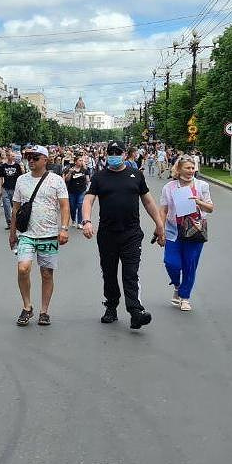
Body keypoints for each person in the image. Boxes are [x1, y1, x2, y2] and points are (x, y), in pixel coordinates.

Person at [82, 140, 166, 330]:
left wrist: (159, 224)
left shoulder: (135, 175)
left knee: (130, 273)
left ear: (124, 154)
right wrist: (86, 221)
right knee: (109, 273)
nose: (114, 155)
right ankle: (111, 307)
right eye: (111, 152)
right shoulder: (99, 177)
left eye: (117, 152)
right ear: (106, 154)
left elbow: (148, 202)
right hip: (107, 234)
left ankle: (135, 311)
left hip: (131, 234)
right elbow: (88, 200)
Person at [8, 146, 70, 327]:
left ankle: (44, 311)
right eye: (28, 157)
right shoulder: (21, 180)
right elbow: (15, 209)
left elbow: (65, 206)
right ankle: (27, 306)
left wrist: (64, 228)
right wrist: (12, 233)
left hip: (49, 234)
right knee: (23, 268)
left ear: (45, 160)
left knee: (47, 273)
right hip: (26, 234)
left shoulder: (56, 180)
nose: (31, 160)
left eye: (35, 157)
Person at [159, 155, 214, 312]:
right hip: (173, 230)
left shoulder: (202, 186)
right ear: (178, 169)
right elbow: (163, 210)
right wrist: (160, 228)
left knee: (190, 264)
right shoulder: (169, 187)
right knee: (171, 262)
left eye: (192, 168)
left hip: (194, 230)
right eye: (187, 168)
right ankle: (177, 285)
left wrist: (198, 202)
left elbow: (210, 208)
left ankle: (184, 297)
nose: (191, 171)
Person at [0, 151, 23, 230]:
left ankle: (16, 222)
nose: (13, 157)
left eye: (14, 156)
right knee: (6, 207)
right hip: (5, 188)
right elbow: (1, 178)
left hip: (15, 189)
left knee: (15, 207)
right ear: (8, 156)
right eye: (12, 156)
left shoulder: (17, 166)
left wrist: (20, 189)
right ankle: (9, 223)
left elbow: (20, 178)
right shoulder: (3, 166)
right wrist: (0, 189)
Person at [64, 156, 88, 229]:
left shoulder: (84, 170)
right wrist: (70, 173)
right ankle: (73, 220)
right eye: (80, 160)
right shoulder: (70, 169)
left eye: (82, 160)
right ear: (75, 162)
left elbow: (87, 179)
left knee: (80, 205)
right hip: (72, 191)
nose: (81, 162)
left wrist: (87, 185)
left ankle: (80, 222)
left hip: (81, 190)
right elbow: (67, 179)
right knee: (72, 207)